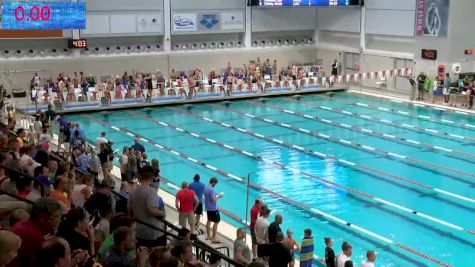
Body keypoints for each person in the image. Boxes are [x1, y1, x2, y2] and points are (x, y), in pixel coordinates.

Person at [9, 198, 62, 267]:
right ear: (42, 217)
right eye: (56, 217)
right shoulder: (35, 236)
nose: (59, 221)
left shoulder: (23, 223)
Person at [128, 166, 166, 247]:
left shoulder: (133, 192)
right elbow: (152, 210)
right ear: (152, 177)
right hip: (152, 232)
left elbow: (129, 211)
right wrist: (162, 213)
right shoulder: (151, 192)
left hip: (138, 231)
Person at [204, 177, 223, 243]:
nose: (215, 185)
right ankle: (214, 237)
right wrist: (219, 197)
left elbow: (209, 196)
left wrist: (216, 194)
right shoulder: (212, 189)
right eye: (215, 184)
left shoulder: (206, 187)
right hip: (213, 209)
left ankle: (208, 236)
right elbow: (213, 200)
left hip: (207, 208)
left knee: (208, 221)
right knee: (216, 222)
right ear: (213, 182)